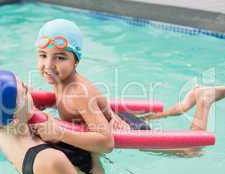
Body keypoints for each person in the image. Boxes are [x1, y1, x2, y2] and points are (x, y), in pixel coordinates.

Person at [32, 18, 150, 153]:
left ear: (76, 60)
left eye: (60, 57)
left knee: (176, 151)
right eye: (43, 55)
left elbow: (107, 143)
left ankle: (176, 110)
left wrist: (59, 133)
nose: (48, 65)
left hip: (133, 132)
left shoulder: (78, 93)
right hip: (116, 117)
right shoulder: (60, 79)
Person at [141, 86, 225, 156]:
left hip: (131, 125)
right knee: (191, 149)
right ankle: (192, 100)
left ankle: (203, 99)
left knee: (192, 149)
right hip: (130, 121)